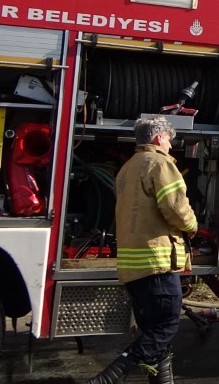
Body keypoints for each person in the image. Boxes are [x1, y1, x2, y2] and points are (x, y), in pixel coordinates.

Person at [86, 116, 197, 384]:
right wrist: (192, 225)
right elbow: (174, 208)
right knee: (166, 326)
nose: (170, 146)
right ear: (159, 138)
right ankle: (109, 376)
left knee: (153, 330)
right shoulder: (160, 163)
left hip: (133, 267)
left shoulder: (126, 169)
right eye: (169, 140)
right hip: (156, 262)